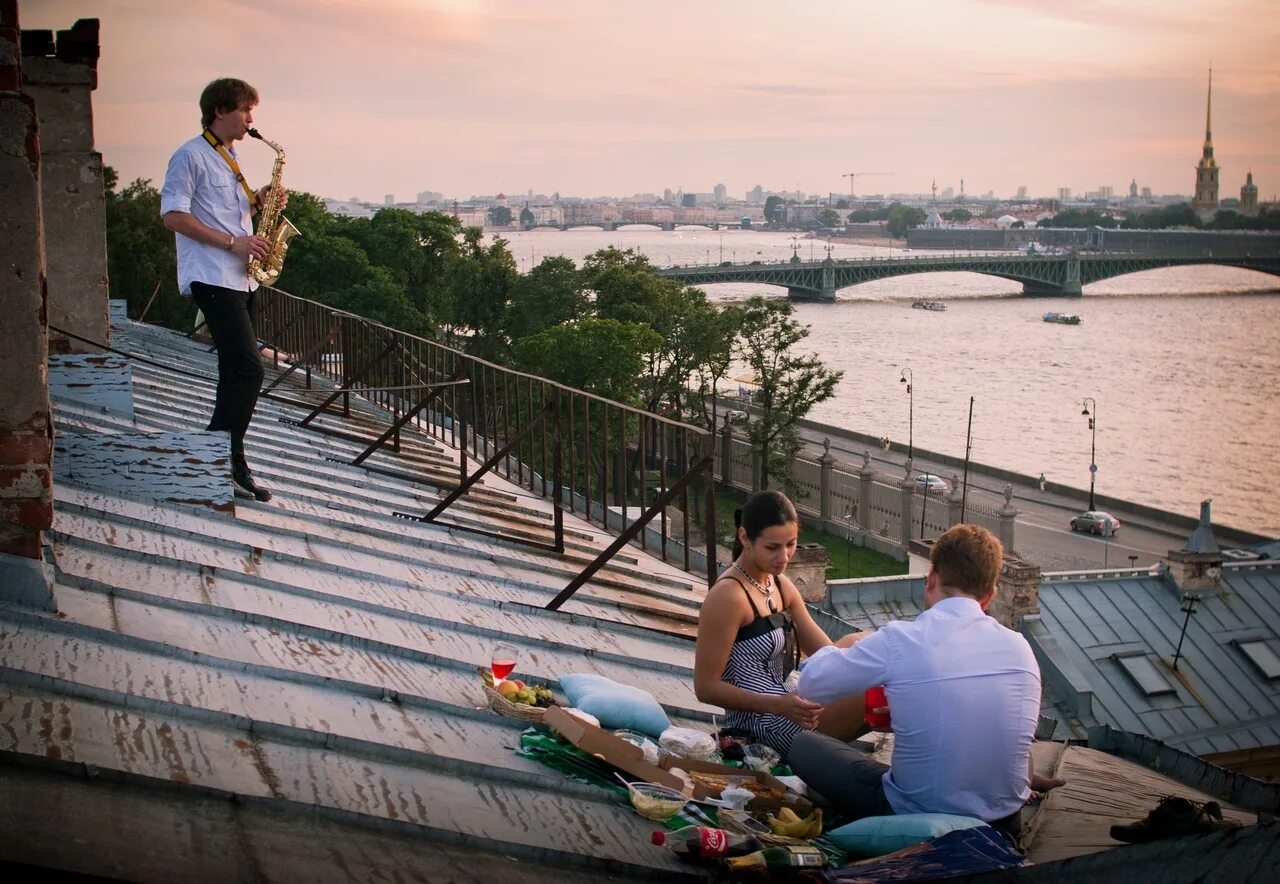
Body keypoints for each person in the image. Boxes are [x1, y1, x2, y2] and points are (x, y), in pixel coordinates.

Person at [788, 524, 1063, 843]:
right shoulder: (1021, 650)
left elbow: (810, 684)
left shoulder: (901, 640)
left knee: (804, 746)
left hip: (916, 815)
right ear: (989, 595)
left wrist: (852, 643)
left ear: (931, 578)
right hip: (1003, 823)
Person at [160, 77, 282, 502]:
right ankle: (222, 457)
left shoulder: (228, 156)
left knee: (236, 372)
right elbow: (174, 216)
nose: (251, 119)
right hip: (212, 275)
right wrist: (235, 242)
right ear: (219, 111)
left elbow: (224, 212)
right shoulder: (189, 156)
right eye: (245, 110)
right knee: (249, 369)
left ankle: (222, 458)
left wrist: (259, 203)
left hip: (239, 276)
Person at [694, 491, 864, 754]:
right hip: (763, 723)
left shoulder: (780, 585)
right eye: (772, 547)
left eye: (791, 544)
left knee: (861, 643)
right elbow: (705, 688)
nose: (784, 557)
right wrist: (777, 705)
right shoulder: (728, 596)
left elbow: (827, 653)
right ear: (744, 537)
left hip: (793, 702)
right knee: (879, 692)